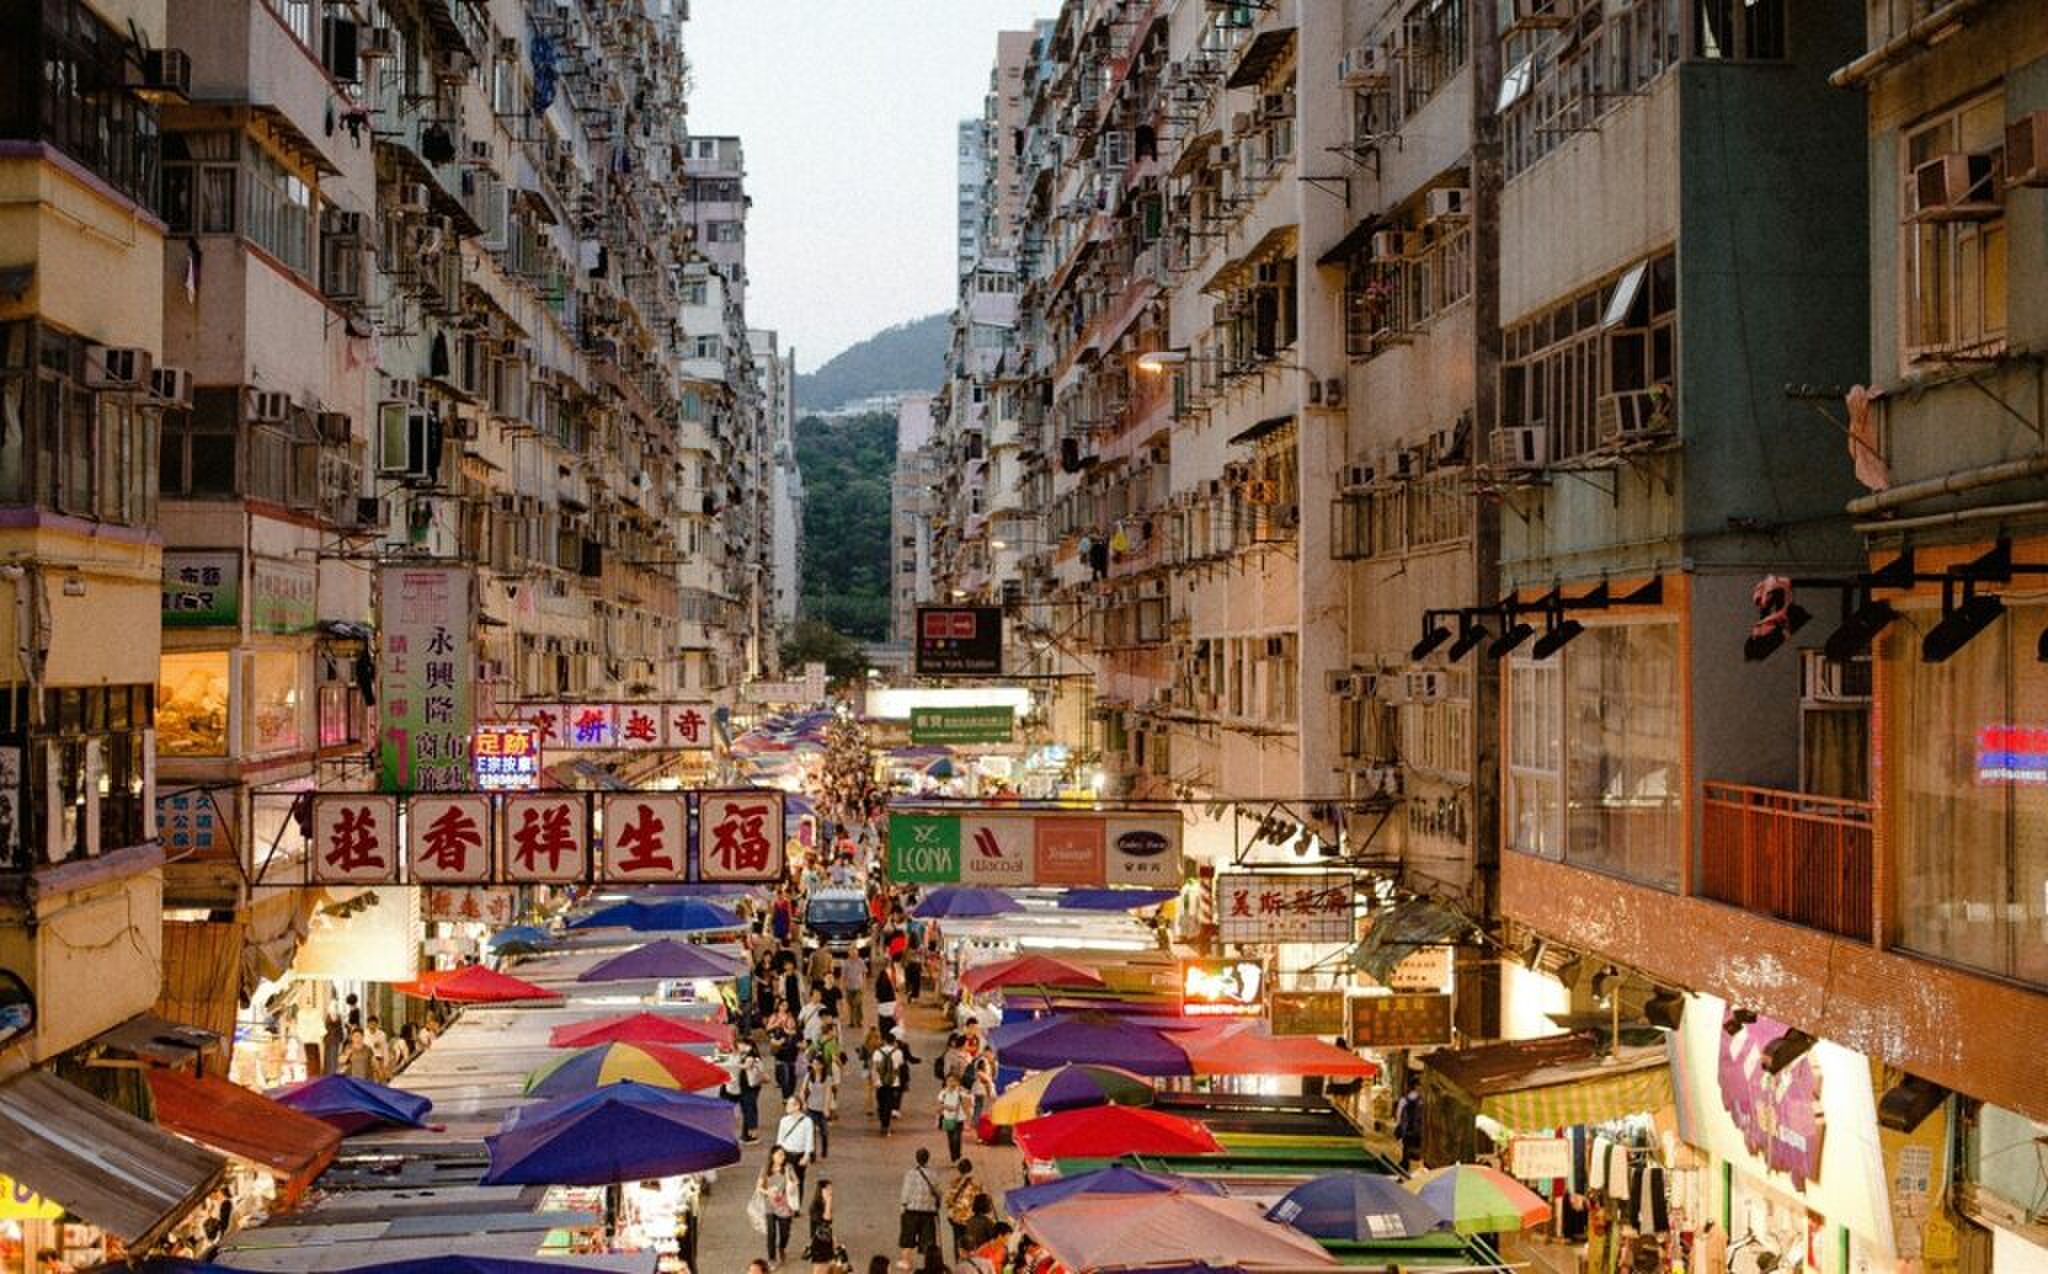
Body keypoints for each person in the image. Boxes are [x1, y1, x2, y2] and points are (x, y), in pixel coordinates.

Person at [897, 1148, 942, 1271]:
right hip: (928, 1212)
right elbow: (938, 1193)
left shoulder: (910, 1174)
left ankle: (906, 1262)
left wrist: (903, 1206)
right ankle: (928, 1265)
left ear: (916, 1158)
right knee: (927, 1241)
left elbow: (906, 1193)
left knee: (907, 1239)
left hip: (911, 1211)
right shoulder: (934, 1174)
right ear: (928, 1158)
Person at [757, 1147, 801, 1267]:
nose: (782, 1157)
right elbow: (759, 1187)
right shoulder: (765, 1169)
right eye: (779, 1154)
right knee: (771, 1233)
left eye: (783, 1155)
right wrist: (768, 1192)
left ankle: (782, 1247)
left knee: (785, 1233)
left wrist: (789, 1184)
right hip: (769, 1206)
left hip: (785, 1207)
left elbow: (796, 1181)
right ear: (772, 1156)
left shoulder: (788, 1168)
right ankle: (771, 1259)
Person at [776, 1096, 819, 1191]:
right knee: (784, 1181)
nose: (786, 1107)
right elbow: (779, 1140)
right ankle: (785, 1203)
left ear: (797, 1106)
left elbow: (809, 1140)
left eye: (789, 1105)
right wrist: (778, 1155)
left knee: (799, 1181)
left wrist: (807, 1156)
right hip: (786, 1154)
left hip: (799, 1155)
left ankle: (797, 1203)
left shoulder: (807, 1122)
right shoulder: (784, 1121)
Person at [945, 1159, 982, 1260]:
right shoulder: (976, 1184)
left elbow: (948, 1201)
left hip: (956, 1218)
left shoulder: (954, 1183)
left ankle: (959, 1262)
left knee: (958, 1241)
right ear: (971, 1169)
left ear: (959, 1170)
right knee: (970, 1241)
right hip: (970, 1218)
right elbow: (980, 1201)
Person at [872, 1030, 905, 1135]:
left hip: (880, 1082)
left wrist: (875, 1080)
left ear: (884, 1041)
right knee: (889, 1103)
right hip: (893, 1081)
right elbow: (900, 1065)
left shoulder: (877, 1052)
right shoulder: (898, 1052)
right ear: (894, 1041)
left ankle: (883, 1122)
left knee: (881, 1103)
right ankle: (886, 1125)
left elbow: (875, 1067)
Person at [801, 1056, 833, 1159]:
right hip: (811, 1107)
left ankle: (824, 1150)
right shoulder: (809, 1076)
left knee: (824, 1131)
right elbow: (802, 1089)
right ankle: (812, 1153)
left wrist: (826, 1108)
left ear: (822, 1065)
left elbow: (828, 1093)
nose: (815, 1066)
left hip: (821, 1108)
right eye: (813, 1063)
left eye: (817, 1064)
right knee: (811, 1132)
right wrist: (804, 1102)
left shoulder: (827, 1078)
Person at [936, 1071, 971, 1163]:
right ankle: (953, 1157)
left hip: (959, 1119)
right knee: (951, 1139)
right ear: (946, 1082)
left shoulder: (961, 1092)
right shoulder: (943, 1093)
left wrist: (968, 1118)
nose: (951, 1083)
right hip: (948, 1119)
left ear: (958, 1082)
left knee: (957, 1138)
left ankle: (958, 1156)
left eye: (953, 1081)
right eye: (949, 1081)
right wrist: (943, 1109)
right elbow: (939, 1106)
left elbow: (967, 1104)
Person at [806, 1179, 837, 1274]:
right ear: (821, 1191)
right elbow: (826, 1221)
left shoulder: (824, 1204)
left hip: (826, 1240)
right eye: (827, 1189)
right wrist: (828, 1202)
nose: (830, 1192)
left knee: (827, 1266)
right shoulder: (815, 1206)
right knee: (818, 1268)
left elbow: (829, 1224)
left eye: (831, 1189)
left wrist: (833, 1239)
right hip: (818, 1242)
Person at [1394, 1076, 1424, 1170]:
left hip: (1407, 1130)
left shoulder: (1404, 1099)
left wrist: (1400, 1126)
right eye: (1421, 1085)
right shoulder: (1422, 1100)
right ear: (1416, 1086)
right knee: (1416, 1151)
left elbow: (1398, 1115)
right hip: (1418, 1130)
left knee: (1406, 1149)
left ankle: (1405, 1167)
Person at [842, 948, 868, 1028]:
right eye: (852, 954)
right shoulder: (846, 963)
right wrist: (842, 986)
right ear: (849, 954)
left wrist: (864, 985)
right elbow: (843, 975)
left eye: (855, 954)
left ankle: (859, 1021)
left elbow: (864, 973)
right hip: (849, 987)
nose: (854, 955)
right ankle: (852, 1022)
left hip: (859, 987)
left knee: (857, 1003)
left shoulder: (861, 962)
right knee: (851, 1005)